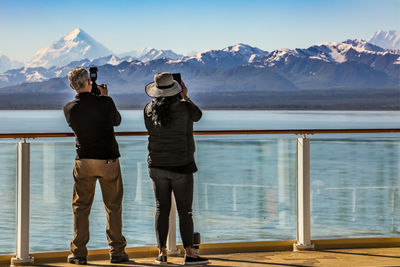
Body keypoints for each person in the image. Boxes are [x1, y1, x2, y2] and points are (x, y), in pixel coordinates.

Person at [63, 67, 130, 265]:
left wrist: (97, 98)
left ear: (71, 86)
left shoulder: (69, 108)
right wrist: (105, 97)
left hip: (83, 161)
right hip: (108, 160)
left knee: (81, 208)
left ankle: (78, 253)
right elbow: (116, 121)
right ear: (90, 83)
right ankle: (117, 252)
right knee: (113, 207)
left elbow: (86, 113)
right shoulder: (105, 102)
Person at [144, 72, 209, 265]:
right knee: (184, 211)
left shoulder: (148, 109)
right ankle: (189, 253)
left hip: (156, 165)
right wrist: (186, 96)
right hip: (182, 165)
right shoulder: (185, 108)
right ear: (176, 88)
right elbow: (198, 115)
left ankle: (162, 253)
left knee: (161, 209)